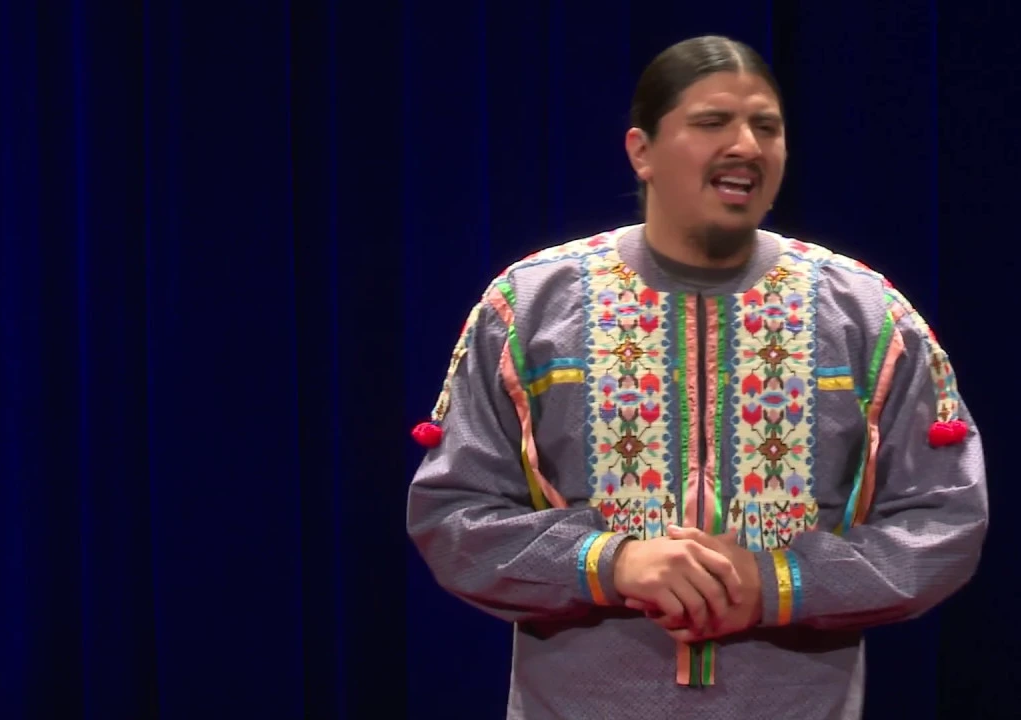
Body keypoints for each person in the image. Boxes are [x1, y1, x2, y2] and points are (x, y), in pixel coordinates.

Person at [406, 34, 988, 720]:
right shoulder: (529, 308)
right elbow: (453, 516)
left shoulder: (866, 315)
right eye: (712, 122)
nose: (745, 145)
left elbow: (945, 520)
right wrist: (612, 562)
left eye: (766, 127)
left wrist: (776, 583)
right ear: (641, 151)